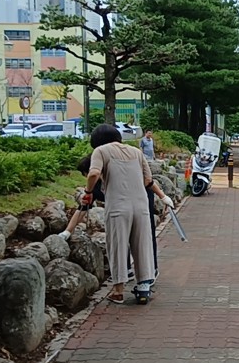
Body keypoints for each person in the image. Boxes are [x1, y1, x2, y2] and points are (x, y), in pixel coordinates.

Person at [60, 156, 173, 282]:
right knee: (119, 235)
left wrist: (163, 197)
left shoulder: (119, 175)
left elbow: (149, 181)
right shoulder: (94, 187)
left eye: (87, 174)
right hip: (120, 209)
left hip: (141, 200)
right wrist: (67, 232)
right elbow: (82, 208)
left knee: (145, 234)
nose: (87, 178)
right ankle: (125, 271)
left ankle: (151, 270)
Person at [84, 124, 156, 304]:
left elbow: (93, 173)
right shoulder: (136, 152)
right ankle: (143, 288)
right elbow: (148, 179)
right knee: (142, 244)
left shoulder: (100, 151)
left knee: (118, 245)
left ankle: (118, 291)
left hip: (118, 205)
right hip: (141, 205)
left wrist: (88, 191)